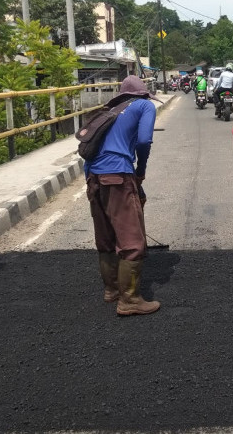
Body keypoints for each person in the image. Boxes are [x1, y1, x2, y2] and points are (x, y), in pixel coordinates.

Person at [85, 75, 160, 316]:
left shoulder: (111, 111)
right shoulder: (144, 105)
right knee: (133, 242)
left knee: (106, 237)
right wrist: (141, 170)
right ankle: (129, 300)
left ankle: (112, 290)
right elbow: (144, 140)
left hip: (94, 177)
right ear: (143, 93)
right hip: (118, 175)